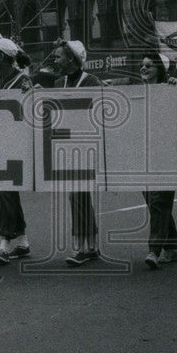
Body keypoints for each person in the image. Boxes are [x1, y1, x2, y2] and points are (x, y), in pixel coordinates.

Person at [0, 38, 36, 266]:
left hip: (17, 144)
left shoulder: (24, 80)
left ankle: (5, 242)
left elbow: (31, 113)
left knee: (6, 191)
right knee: (8, 192)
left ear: (3, 56)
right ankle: (22, 241)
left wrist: (29, 95)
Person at [51, 39, 103, 266]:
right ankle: (91, 245)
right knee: (79, 194)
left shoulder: (91, 81)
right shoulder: (59, 82)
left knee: (78, 194)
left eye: (58, 56)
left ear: (71, 59)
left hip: (86, 145)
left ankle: (81, 246)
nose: (55, 60)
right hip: (65, 145)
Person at [138, 52, 177, 269]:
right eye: (142, 65)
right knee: (154, 201)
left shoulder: (170, 89)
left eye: (149, 66)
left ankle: (154, 250)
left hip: (167, 154)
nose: (143, 69)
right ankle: (172, 245)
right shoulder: (137, 92)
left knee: (159, 201)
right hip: (144, 154)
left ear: (160, 69)